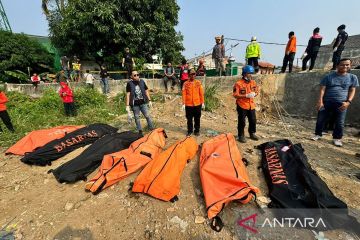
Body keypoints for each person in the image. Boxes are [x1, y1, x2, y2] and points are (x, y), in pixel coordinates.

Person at [312, 58, 358, 147]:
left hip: (342, 103)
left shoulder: (353, 77)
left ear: (350, 66)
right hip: (326, 101)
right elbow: (322, 90)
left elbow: (352, 90)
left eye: (347, 64)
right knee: (320, 119)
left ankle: (337, 138)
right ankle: (318, 134)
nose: (345, 66)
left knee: (340, 122)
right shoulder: (328, 77)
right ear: (337, 66)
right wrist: (320, 101)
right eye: (342, 64)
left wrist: (348, 102)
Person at [233, 65, 259, 143]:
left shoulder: (253, 82)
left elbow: (257, 91)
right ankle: (241, 135)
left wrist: (255, 94)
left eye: (251, 73)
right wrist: (246, 95)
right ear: (244, 73)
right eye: (249, 73)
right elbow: (235, 95)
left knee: (253, 120)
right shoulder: (238, 84)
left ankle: (252, 133)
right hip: (242, 105)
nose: (251, 75)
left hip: (251, 105)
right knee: (242, 121)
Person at [182, 69, 205, 136]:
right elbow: (184, 94)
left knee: (197, 119)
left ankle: (197, 131)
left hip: (197, 104)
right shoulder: (185, 83)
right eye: (191, 74)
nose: (193, 75)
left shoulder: (198, 83)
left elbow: (201, 93)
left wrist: (202, 102)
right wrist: (183, 103)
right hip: (188, 105)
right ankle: (190, 131)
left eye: (194, 74)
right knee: (189, 119)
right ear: (189, 75)